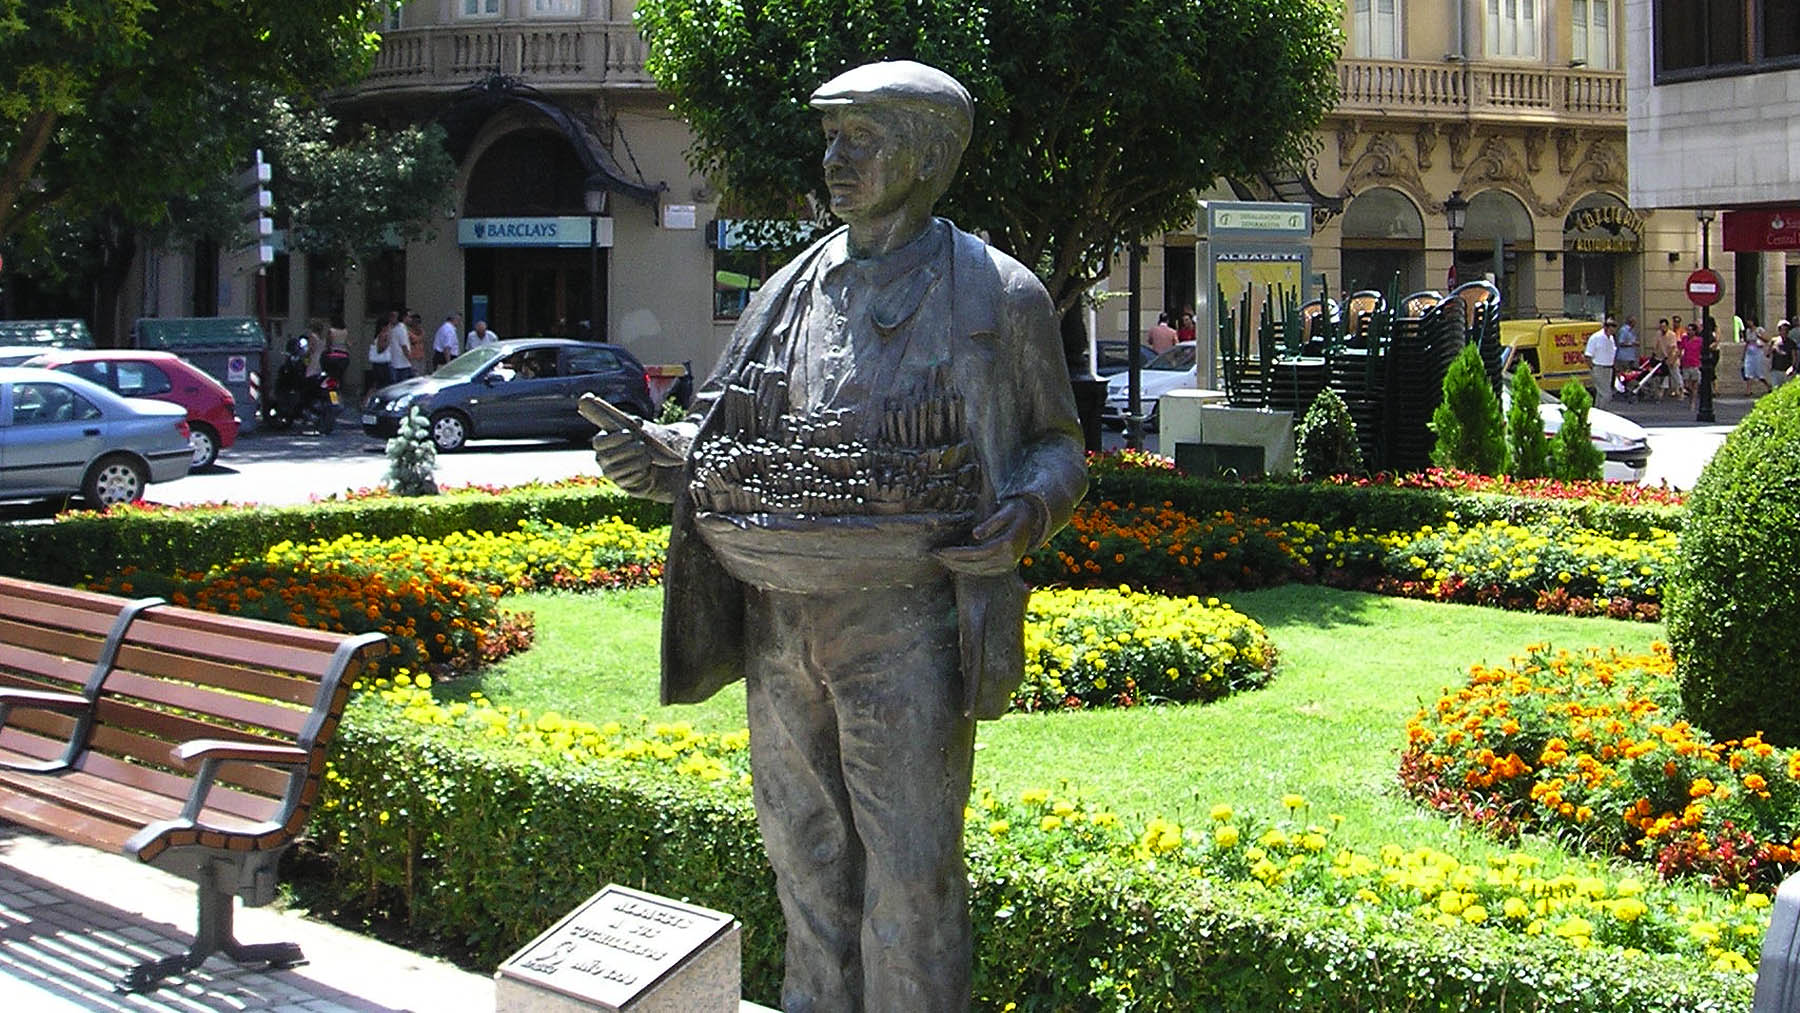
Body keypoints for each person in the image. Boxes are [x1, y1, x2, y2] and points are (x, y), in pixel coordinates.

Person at [590, 61, 1085, 1013]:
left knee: (912, 875)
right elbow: (731, 431)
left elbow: (1058, 445)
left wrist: (1025, 512)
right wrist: (665, 456)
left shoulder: (997, 292)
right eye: (830, 139)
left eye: (861, 139)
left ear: (929, 153)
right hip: (778, 615)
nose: (835, 161)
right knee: (805, 866)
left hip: (907, 620)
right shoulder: (789, 289)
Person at [1583, 316, 1618, 401]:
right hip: (1599, 368)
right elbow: (1588, 355)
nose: (1613, 330)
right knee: (1606, 394)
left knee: (1600, 394)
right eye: (1611, 327)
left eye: (1614, 327)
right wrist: (1593, 368)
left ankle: (1598, 410)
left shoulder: (1611, 338)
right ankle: (1604, 411)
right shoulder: (1596, 337)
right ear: (1606, 327)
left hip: (1608, 369)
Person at [367, 311, 398, 391]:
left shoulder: (382, 335)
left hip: (382, 364)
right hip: (382, 364)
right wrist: (388, 341)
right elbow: (380, 349)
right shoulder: (383, 335)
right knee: (383, 385)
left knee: (378, 385)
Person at [388, 311, 416, 382]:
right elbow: (404, 346)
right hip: (402, 364)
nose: (411, 319)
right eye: (409, 317)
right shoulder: (401, 329)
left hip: (395, 363)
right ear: (404, 318)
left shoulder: (394, 329)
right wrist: (411, 361)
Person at [1679, 322, 1702, 402]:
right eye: (1688, 330)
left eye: (1690, 330)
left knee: (1695, 384)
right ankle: (1691, 394)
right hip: (1686, 363)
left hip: (1695, 363)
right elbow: (1680, 349)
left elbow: (1702, 351)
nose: (1689, 332)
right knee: (1686, 384)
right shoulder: (1685, 339)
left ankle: (1693, 401)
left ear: (1695, 331)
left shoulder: (1699, 340)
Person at [1772, 320, 1796, 389]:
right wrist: (1773, 347)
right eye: (1781, 330)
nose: (1783, 332)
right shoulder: (1775, 341)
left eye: (1785, 330)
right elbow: (1767, 354)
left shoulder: (1791, 342)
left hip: (1786, 370)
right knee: (1776, 389)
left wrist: (1792, 367)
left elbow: (1794, 356)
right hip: (1776, 369)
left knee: (1786, 389)